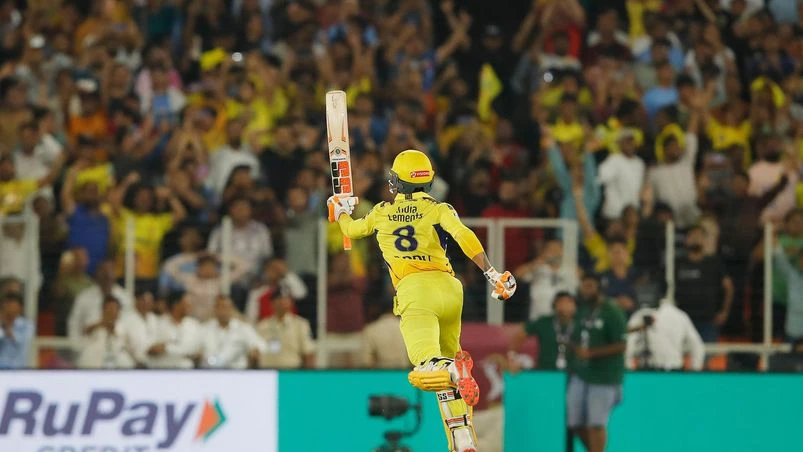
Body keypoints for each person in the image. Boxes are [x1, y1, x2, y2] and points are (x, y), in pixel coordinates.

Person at [329, 149, 517, 452]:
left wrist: (340, 210)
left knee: (425, 368)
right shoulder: (440, 209)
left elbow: (351, 229)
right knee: (446, 368)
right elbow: (463, 235)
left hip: (415, 291)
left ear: (396, 182)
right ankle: (463, 438)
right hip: (450, 288)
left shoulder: (381, 212)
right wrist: (492, 273)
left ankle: (455, 371)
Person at [567, 272, 627, 452]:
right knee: (575, 423)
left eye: (590, 286)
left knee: (596, 424)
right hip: (582, 374)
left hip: (604, 377)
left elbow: (621, 345)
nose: (585, 290)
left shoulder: (612, 311)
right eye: (583, 286)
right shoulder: (582, 310)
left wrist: (591, 353)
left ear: (599, 288)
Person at [675, 225, 734, 342]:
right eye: (693, 235)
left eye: (699, 236)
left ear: (704, 240)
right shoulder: (678, 263)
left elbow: (729, 287)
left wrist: (724, 311)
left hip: (708, 321)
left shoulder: (714, 262)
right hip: (683, 320)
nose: (696, 239)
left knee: (707, 356)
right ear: (686, 240)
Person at [162, 252, 249, 321]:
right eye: (204, 266)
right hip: (192, 319)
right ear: (198, 268)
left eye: (211, 266)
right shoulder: (190, 279)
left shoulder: (219, 281)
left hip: (212, 320)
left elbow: (244, 266)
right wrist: (194, 257)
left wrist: (218, 257)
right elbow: (169, 267)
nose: (208, 269)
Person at [67, 259, 132, 350]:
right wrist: (76, 348)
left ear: (115, 274)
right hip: (88, 348)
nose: (107, 276)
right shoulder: (84, 297)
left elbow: (129, 326)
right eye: (104, 273)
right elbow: (74, 324)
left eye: (110, 272)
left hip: (118, 348)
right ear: (97, 274)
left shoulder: (125, 298)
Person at [625, 298, 705, 371]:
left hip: (649, 371)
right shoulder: (681, 315)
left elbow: (628, 343)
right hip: (675, 370)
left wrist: (629, 369)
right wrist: (695, 370)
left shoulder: (641, 314)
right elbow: (697, 345)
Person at [508, 291, 577, 371]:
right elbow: (518, 337)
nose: (565, 306)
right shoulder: (544, 322)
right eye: (561, 302)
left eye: (569, 302)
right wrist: (512, 358)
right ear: (554, 305)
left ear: (575, 306)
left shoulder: (581, 323)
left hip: (575, 376)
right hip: (545, 372)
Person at [256, 285, 316, 369]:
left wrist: (309, 377)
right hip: (267, 374)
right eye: (279, 298)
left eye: (286, 299)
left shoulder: (300, 325)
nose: (283, 302)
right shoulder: (262, 326)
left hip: (291, 374)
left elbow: (308, 354)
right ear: (272, 303)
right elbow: (255, 354)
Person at [201, 296, 267, 369]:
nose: (223, 311)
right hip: (209, 373)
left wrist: (255, 350)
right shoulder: (204, 328)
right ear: (215, 309)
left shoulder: (243, 328)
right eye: (220, 307)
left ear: (232, 309)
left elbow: (261, 344)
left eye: (226, 307)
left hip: (237, 373)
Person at [147, 291, 203, 369]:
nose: (190, 306)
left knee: (186, 364)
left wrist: (166, 347)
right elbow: (153, 349)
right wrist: (179, 347)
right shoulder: (159, 323)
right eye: (186, 303)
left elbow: (191, 349)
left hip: (186, 370)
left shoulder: (194, 325)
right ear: (176, 305)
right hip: (161, 369)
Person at [76, 296, 136, 369]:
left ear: (118, 312)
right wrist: (102, 324)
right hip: (94, 364)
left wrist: (112, 330)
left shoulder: (124, 327)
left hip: (118, 365)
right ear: (103, 310)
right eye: (109, 308)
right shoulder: (94, 324)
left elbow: (131, 348)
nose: (111, 312)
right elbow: (85, 332)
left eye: (114, 309)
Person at [360, 302, 409, 369]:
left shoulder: (371, 329)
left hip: (380, 375)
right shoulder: (407, 328)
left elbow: (366, 360)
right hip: (404, 373)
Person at [119, 289, 160, 366]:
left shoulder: (154, 318)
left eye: (150, 301)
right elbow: (121, 343)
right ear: (137, 301)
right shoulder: (125, 318)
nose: (147, 304)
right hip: (132, 363)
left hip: (153, 363)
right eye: (144, 301)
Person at [0, 292, 34, 369]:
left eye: (12, 306)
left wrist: (8, 327)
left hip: (18, 369)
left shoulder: (27, 325)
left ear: (20, 308)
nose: (9, 309)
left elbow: (23, 342)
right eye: (7, 306)